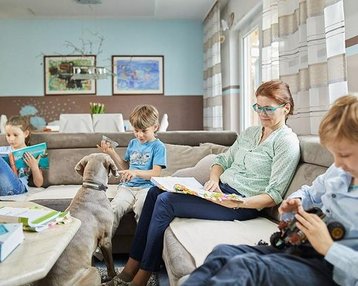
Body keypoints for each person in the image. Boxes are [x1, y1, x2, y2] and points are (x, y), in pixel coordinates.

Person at [106, 80, 301, 286]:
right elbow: (222, 161)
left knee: (166, 202)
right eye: (258, 107)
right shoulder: (251, 132)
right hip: (218, 192)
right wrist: (214, 180)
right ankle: (130, 268)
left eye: (268, 108)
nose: (261, 113)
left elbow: (274, 195)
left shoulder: (286, 143)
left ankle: (141, 277)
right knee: (155, 192)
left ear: (286, 108)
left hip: (242, 204)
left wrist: (237, 202)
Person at [182, 94, 358, 286]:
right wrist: (297, 200)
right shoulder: (338, 171)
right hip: (304, 250)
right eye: (334, 155)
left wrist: (329, 248)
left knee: (247, 267)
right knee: (222, 253)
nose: (338, 163)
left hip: (336, 273)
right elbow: (309, 192)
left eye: (344, 154)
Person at [97, 104, 167, 235]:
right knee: (114, 209)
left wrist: (135, 172)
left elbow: (156, 173)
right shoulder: (133, 143)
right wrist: (112, 153)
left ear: (155, 127)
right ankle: (100, 251)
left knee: (142, 208)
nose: (139, 135)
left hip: (147, 188)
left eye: (144, 131)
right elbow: (126, 167)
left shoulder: (158, 147)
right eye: (136, 130)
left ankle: (142, 249)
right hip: (127, 187)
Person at [0, 115, 44, 196]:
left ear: (26, 133)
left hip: (18, 188)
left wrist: (34, 167)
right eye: (8, 135)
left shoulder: (32, 153)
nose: (11, 139)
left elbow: (39, 184)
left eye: (15, 135)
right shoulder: (3, 150)